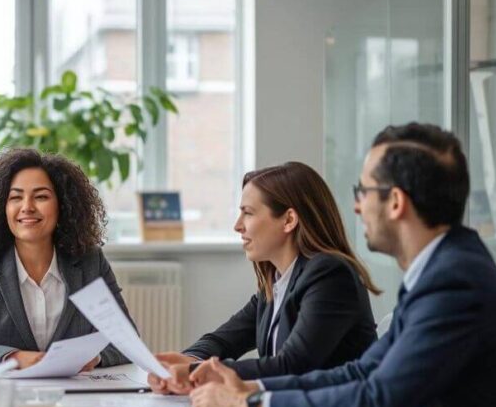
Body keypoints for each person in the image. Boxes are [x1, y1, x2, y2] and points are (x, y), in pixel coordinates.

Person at [186, 123, 496, 407]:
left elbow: (375, 401)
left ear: (396, 203)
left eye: (363, 193)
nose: (355, 207)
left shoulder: (454, 283)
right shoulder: (439, 271)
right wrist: (252, 394)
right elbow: (360, 373)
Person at [149, 162, 379, 388]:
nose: (238, 226)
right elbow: (223, 340)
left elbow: (292, 365)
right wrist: (188, 360)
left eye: (248, 213)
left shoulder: (330, 276)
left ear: (289, 220)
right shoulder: (277, 281)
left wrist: (195, 373)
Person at [0, 148, 133, 369]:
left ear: (63, 205)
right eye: (16, 197)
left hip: (76, 396)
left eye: (41, 197)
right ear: (2, 207)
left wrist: (93, 358)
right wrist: (13, 358)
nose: (27, 207)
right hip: (6, 395)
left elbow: (126, 340)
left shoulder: (91, 262)